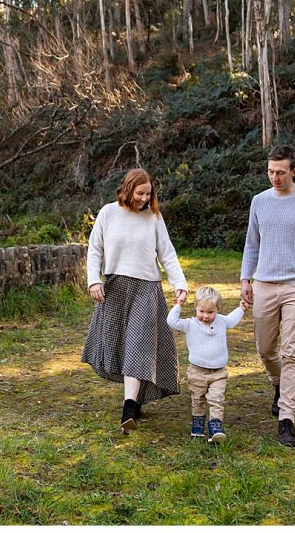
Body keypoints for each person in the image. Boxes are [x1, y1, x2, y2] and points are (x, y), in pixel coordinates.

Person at [82, 168, 188, 434]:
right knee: (121, 344)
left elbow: (168, 253)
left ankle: (128, 408)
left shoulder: (153, 217)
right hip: (116, 286)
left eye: (148, 194)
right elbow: (95, 249)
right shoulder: (108, 213)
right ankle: (135, 397)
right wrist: (93, 280)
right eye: (140, 193)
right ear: (128, 189)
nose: (144, 198)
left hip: (146, 288)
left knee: (139, 345)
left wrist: (180, 285)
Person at [240, 144, 295, 448]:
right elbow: (251, 244)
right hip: (264, 284)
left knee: (292, 351)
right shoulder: (259, 201)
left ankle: (287, 419)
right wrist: (245, 278)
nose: (274, 177)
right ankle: (278, 384)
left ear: (294, 171)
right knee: (266, 349)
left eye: (280, 172)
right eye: (270, 171)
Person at [167, 286, 249, 443]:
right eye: (201, 311)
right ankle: (198, 424)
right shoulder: (191, 324)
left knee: (217, 399)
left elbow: (232, 319)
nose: (205, 316)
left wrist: (241, 308)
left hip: (218, 373)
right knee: (197, 399)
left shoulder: (222, 321)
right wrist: (178, 305)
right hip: (197, 372)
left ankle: (215, 427)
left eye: (210, 312)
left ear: (218, 309)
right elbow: (172, 321)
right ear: (195, 308)